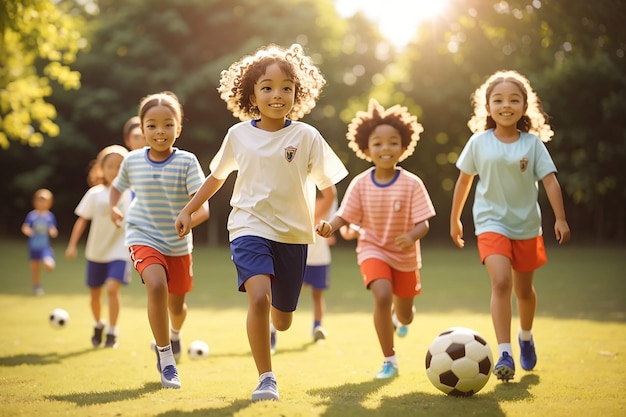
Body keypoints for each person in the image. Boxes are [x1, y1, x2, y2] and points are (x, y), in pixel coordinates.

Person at [175, 44, 348, 402]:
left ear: (297, 93)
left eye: (286, 86)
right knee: (258, 297)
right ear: (251, 94)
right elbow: (217, 178)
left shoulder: (306, 136)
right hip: (248, 227)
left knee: (282, 319)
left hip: (294, 236)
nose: (277, 94)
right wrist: (188, 209)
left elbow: (328, 188)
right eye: (267, 87)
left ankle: (275, 317)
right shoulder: (238, 135)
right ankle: (266, 378)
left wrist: (327, 221)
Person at [449, 70, 571, 382]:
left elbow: (550, 181)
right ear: (487, 107)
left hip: (527, 227)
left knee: (524, 290)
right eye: (498, 99)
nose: (506, 105)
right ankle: (504, 352)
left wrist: (560, 218)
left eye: (514, 99)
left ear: (524, 106)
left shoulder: (533, 145)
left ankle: (525, 336)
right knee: (501, 282)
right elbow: (464, 181)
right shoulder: (478, 143)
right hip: (490, 223)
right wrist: (455, 220)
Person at [316, 98, 436, 380]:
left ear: (404, 147)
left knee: (405, 315)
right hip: (372, 249)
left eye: (393, 142)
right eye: (378, 143)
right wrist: (329, 227)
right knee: (382, 295)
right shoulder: (360, 183)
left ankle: (401, 316)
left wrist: (411, 235)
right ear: (366, 149)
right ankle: (389, 360)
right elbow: (345, 216)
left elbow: (424, 224)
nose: (385, 148)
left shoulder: (412, 184)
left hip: (406, 258)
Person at [110, 91, 209, 389]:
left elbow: (203, 207)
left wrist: (189, 219)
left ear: (178, 129)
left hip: (178, 245)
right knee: (156, 285)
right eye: (151, 125)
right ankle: (166, 360)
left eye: (167, 125)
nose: (159, 131)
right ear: (142, 129)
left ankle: (174, 334)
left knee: (177, 307)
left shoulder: (187, 162)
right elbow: (117, 188)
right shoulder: (132, 161)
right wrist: (114, 206)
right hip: (142, 234)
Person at [65, 145, 131, 348]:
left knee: (112, 289)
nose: (114, 170)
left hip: (121, 249)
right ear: (102, 168)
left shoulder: (132, 194)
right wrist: (72, 245)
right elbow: (82, 220)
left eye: (120, 166)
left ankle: (112, 331)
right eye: (110, 166)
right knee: (94, 293)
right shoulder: (95, 194)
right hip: (96, 251)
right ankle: (98, 324)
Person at [302, 185, 338, 343]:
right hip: (301, 258)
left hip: (320, 258)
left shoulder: (327, 206)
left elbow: (331, 196)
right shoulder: (302, 204)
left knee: (317, 295)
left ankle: (317, 327)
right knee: (290, 296)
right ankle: (272, 329)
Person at [21, 188, 58, 295]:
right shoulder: (32, 216)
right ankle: (37, 285)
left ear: (50, 203)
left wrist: (53, 231)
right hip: (33, 246)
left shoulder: (49, 217)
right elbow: (25, 227)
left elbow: (52, 228)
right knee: (35, 268)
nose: (41, 203)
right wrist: (28, 231)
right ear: (34, 202)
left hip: (44, 246)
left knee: (48, 264)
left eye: (44, 200)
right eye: (39, 200)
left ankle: (49, 262)